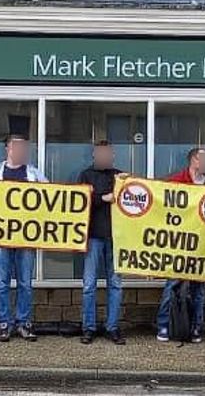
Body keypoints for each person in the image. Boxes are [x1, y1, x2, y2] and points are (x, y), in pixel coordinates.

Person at [0, 134, 47, 342]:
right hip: (1, 238)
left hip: (26, 238)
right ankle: (4, 324)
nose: (22, 151)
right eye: (18, 147)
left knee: (25, 283)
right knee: (2, 283)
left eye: (25, 148)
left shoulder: (35, 174)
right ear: (8, 149)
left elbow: (52, 200)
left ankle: (23, 323)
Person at [156, 147, 205, 344]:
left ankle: (196, 327)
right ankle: (164, 325)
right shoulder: (176, 181)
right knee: (173, 284)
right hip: (179, 244)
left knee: (199, 288)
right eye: (204, 159)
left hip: (201, 244)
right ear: (194, 161)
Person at [76, 140, 125, 345]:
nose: (105, 157)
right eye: (101, 153)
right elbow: (79, 201)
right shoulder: (86, 176)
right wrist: (103, 198)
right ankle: (88, 328)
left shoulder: (121, 177)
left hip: (117, 237)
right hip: (93, 236)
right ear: (95, 156)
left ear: (112, 156)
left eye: (108, 154)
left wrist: (127, 185)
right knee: (89, 285)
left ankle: (112, 327)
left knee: (115, 284)